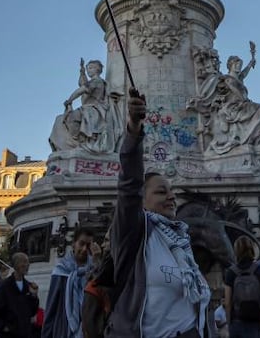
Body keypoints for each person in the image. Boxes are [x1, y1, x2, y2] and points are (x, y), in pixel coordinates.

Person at [106, 90, 212, 337]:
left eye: (172, 191)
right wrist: (133, 129)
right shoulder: (134, 235)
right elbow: (129, 186)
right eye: (162, 192)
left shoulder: (179, 240)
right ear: (142, 201)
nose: (172, 196)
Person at [43, 227, 98, 338]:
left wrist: (97, 263)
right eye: (81, 244)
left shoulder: (95, 269)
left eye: (88, 246)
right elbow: (51, 310)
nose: (84, 249)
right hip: (64, 330)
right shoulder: (61, 271)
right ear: (73, 244)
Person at [223, 235, 260, 338]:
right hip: (257, 322)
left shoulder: (231, 272)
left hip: (237, 322)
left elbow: (227, 302)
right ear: (251, 249)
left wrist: (229, 324)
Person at [0, 252, 40, 336]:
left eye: (27, 262)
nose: (27, 265)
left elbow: (32, 311)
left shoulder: (28, 286)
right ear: (16, 265)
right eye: (23, 262)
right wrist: (3, 327)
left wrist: (34, 296)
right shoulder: (4, 287)